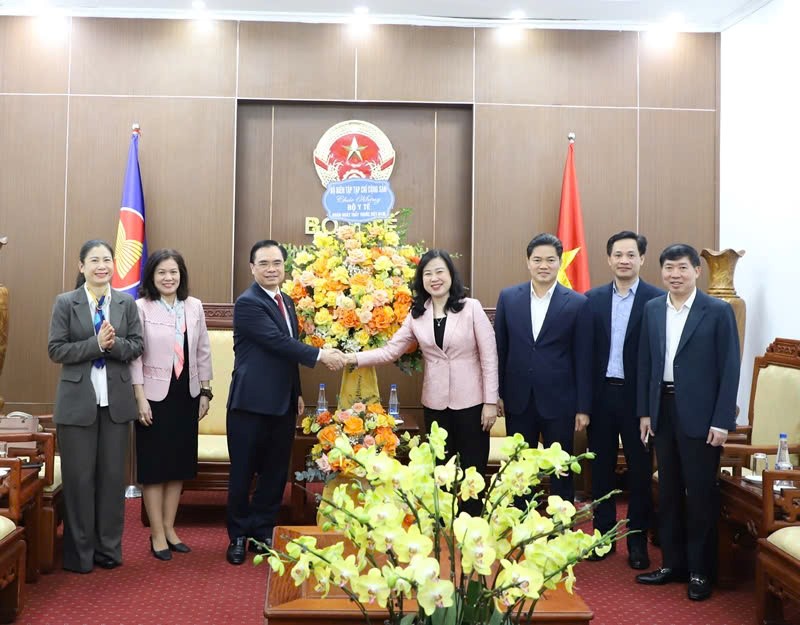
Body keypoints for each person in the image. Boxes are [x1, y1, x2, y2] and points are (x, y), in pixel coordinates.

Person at [346, 249, 498, 515]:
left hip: (472, 403)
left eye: (440, 272)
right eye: (428, 274)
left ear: (451, 275)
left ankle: (472, 522)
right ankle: (444, 524)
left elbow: (489, 357)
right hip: (435, 404)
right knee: (441, 469)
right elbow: (390, 351)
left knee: (472, 470)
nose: (434, 278)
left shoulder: (471, 308)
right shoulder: (417, 314)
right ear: (421, 280)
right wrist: (351, 358)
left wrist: (490, 402)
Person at [225, 240, 345, 565]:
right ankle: (238, 536)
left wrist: (297, 392)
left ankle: (262, 531)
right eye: (264, 263)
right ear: (252, 268)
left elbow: (287, 355)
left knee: (276, 472)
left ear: (284, 267)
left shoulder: (287, 301)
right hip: (249, 404)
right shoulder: (248, 303)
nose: (271, 269)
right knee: (243, 473)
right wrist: (321, 355)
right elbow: (277, 342)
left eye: (276, 263)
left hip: (282, 402)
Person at [636, 243, 740, 601]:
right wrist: (645, 412)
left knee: (699, 495)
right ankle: (672, 564)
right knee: (667, 492)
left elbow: (730, 368)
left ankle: (699, 571)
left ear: (697, 271)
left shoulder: (717, 311)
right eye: (669, 268)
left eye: (682, 268)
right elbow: (646, 363)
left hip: (701, 415)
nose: (675, 274)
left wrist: (722, 420)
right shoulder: (653, 309)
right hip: (662, 410)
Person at [48, 239, 143, 573]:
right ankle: (80, 555)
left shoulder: (126, 303)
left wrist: (112, 345)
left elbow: (136, 345)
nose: (102, 266)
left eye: (107, 260)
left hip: (116, 404)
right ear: (82, 266)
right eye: (94, 260)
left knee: (112, 481)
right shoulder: (66, 302)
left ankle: (108, 550)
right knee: (79, 482)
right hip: (77, 405)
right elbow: (56, 349)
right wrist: (95, 345)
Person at [584, 231, 663, 570]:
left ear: (642, 259)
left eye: (631, 254)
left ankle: (636, 542)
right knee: (600, 470)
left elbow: (657, 358)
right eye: (618, 254)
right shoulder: (592, 299)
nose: (624, 260)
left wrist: (649, 407)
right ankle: (602, 538)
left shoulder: (656, 300)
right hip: (602, 396)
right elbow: (585, 354)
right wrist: (583, 404)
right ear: (608, 259)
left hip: (637, 401)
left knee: (640, 473)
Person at [494, 232, 592, 503]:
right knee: (519, 468)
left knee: (560, 468)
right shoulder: (509, 298)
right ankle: (519, 520)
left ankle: (560, 522)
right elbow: (500, 350)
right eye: (537, 260)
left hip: (560, 401)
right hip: (518, 399)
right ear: (528, 262)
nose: (543, 265)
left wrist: (583, 406)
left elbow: (584, 358)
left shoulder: (578, 303)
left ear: (560, 262)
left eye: (550, 260)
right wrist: (497, 393)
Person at [130, 249, 212, 561]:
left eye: (173, 272)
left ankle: (169, 528)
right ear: (152, 276)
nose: (168, 277)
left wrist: (205, 392)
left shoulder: (194, 306)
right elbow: (135, 357)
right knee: (155, 468)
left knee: (178, 466)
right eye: (162, 272)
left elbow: (203, 350)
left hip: (185, 393)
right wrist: (140, 398)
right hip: (153, 396)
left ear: (182, 275)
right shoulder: (141, 307)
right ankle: (156, 533)